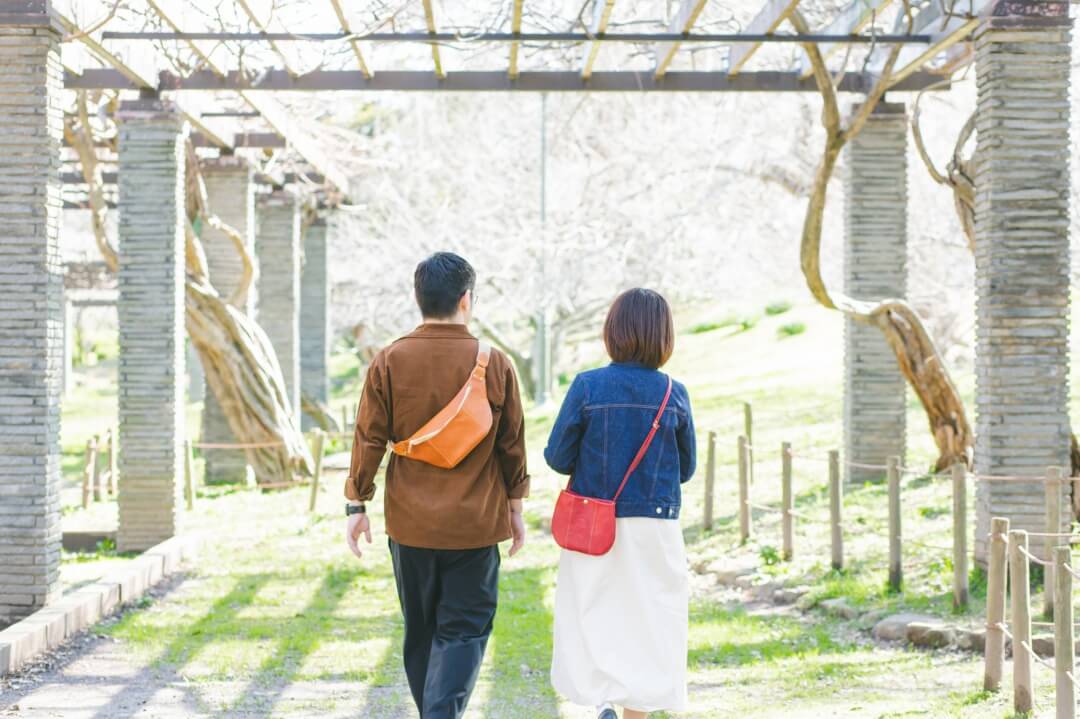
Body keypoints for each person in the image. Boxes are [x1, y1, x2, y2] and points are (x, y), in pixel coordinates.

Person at [344, 252, 529, 719]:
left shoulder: (389, 360)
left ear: (417, 298)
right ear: (466, 300)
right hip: (475, 524)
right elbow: (512, 444)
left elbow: (368, 437)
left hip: (411, 526)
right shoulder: (495, 363)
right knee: (466, 629)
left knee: (421, 630)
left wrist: (357, 504)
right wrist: (515, 508)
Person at [544, 288, 696, 719]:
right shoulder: (674, 392)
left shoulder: (587, 386)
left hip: (595, 524)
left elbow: (557, 457)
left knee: (593, 613)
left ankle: (603, 703)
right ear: (664, 336)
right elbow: (685, 469)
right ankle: (634, 713)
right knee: (651, 621)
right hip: (655, 527)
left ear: (613, 331)